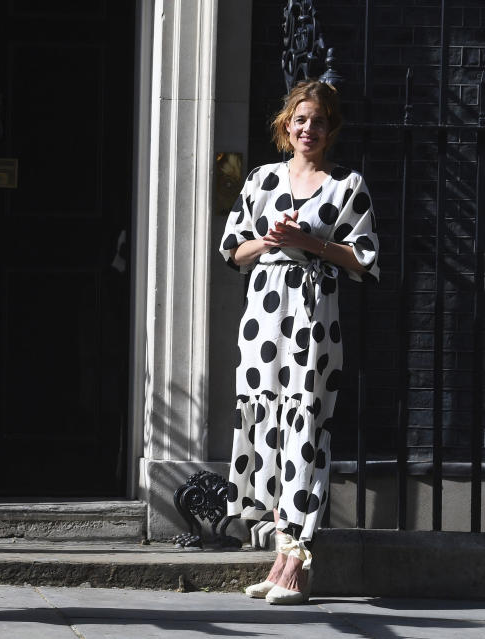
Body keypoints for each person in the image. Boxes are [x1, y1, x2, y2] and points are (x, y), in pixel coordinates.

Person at [218, 80, 379, 604]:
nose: (309, 128)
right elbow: (232, 251)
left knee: (306, 424)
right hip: (264, 317)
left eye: (320, 121)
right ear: (286, 125)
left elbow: (364, 260)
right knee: (268, 422)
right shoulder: (262, 180)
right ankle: (280, 554)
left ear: (332, 130)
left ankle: (298, 566)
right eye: (301, 119)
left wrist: (307, 242)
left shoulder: (346, 187)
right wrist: (267, 240)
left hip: (313, 315)